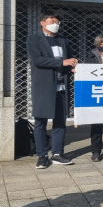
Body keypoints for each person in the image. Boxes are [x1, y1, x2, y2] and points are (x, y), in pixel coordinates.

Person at [26, 12, 77, 168]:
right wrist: (62, 62)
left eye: (57, 21)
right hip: (44, 86)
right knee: (40, 121)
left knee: (60, 121)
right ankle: (42, 155)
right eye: (51, 21)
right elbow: (38, 60)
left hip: (61, 86)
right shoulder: (34, 39)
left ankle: (57, 154)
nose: (55, 24)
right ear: (42, 23)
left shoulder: (63, 40)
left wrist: (72, 66)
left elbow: (68, 60)